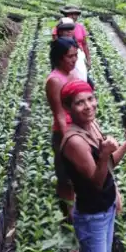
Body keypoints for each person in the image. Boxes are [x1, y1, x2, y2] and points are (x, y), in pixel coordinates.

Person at [59, 80, 126, 252]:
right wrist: (103, 154)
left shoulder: (92, 124)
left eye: (90, 99)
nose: (88, 106)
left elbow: (108, 166)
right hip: (92, 216)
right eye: (79, 102)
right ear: (68, 107)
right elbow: (96, 182)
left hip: (106, 207)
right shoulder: (74, 141)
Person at [45, 37, 80, 221]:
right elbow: (59, 114)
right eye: (69, 57)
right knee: (65, 177)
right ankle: (68, 217)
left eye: (76, 55)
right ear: (59, 58)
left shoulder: (72, 74)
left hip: (77, 130)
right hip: (64, 133)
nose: (74, 60)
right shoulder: (54, 80)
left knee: (77, 176)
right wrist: (69, 142)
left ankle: (74, 213)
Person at [53, 17, 89, 84]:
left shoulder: (76, 45)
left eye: (71, 29)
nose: (69, 31)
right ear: (60, 31)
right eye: (66, 29)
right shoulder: (59, 47)